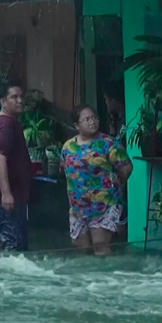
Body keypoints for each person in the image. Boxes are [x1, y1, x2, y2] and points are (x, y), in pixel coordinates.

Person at [61, 105, 133, 256]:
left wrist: (118, 182)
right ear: (76, 125)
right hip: (78, 208)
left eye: (94, 118)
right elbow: (64, 169)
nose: (92, 122)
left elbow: (126, 166)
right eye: (86, 119)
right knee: (81, 248)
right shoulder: (68, 146)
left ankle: (107, 278)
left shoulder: (108, 143)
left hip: (104, 205)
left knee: (100, 246)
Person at [0, 80, 32, 251]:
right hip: (6, 198)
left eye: (21, 97)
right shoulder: (5, 126)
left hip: (13, 196)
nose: (20, 100)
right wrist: (6, 193)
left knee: (9, 244)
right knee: (11, 247)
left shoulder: (10, 123)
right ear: (3, 101)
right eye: (14, 97)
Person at [103, 81, 129, 241]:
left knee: (121, 214)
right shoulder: (118, 118)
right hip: (117, 173)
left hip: (121, 172)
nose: (106, 103)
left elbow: (119, 145)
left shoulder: (125, 119)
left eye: (106, 99)